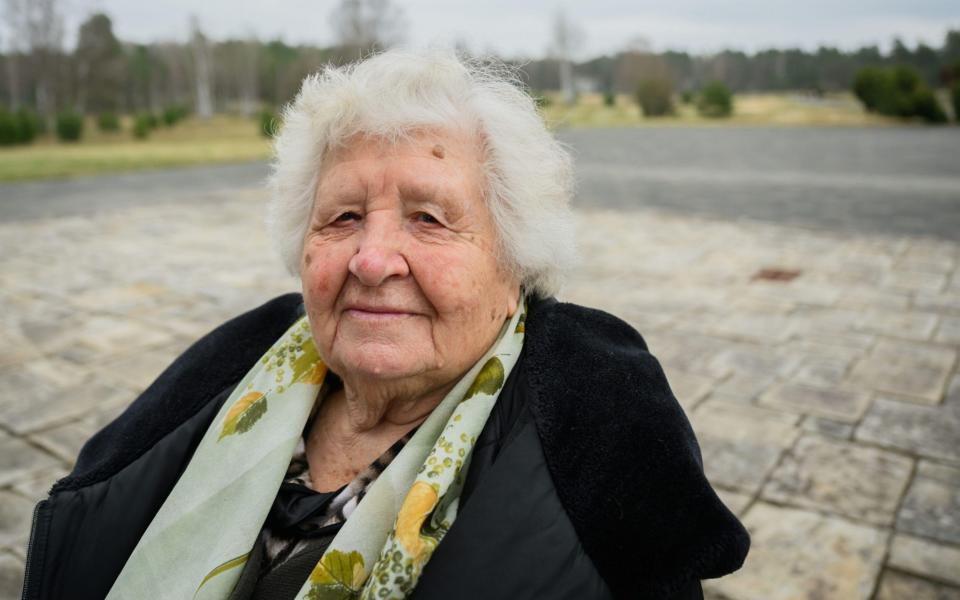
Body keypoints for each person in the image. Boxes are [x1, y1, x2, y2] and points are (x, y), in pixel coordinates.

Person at [21, 49, 748, 600]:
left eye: (428, 219)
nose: (371, 260)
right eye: (341, 217)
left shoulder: (601, 428)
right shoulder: (236, 361)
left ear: (516, 255)